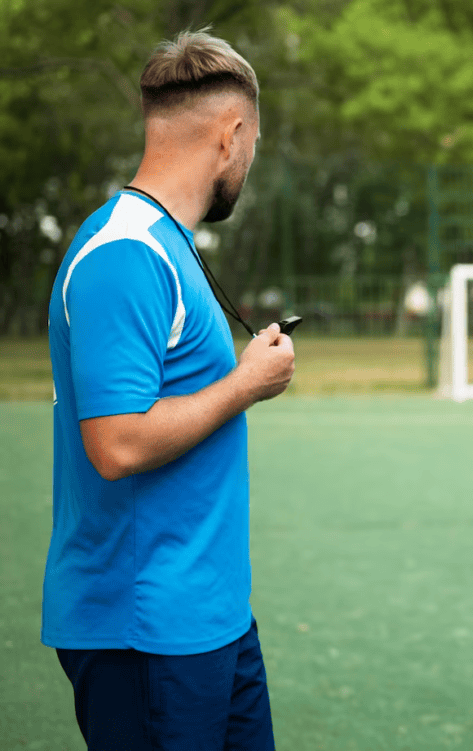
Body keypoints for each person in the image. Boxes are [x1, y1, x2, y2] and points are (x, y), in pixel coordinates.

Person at [44, 30, 294, 750]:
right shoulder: (126, 252)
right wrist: (245, 384)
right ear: (232, 135)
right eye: (252, 145)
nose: (248, 161)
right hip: (145, 628)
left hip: (209, 615)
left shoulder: (167, 240)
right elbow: (117, 444)